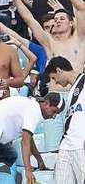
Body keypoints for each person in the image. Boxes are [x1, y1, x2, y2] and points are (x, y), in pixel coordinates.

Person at [0, 94, 62, 184]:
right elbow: (25, 142)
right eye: (54, 112)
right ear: (46, 103)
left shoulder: (33, 106)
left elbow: (29, 139)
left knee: (11, 156)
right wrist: (28, 170)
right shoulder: (34, 111)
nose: (53, 116)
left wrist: (40, 162)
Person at [45, 56, 85, 184]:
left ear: (59, 70)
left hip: (81, 146)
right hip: (66, 145)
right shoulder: (71, 91)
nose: (55, 82)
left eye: (53, 77)